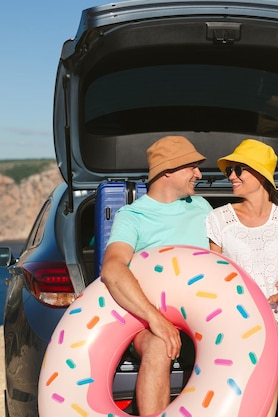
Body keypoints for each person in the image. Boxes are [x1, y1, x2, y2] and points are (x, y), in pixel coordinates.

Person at [99, 135, 212, 415]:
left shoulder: (201, 207)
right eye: (192, 167)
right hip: (148, 321)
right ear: (168, 171)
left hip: (203, 316)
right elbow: (112, 268)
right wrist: (157, 320)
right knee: (160, 344)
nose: (199, 174)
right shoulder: (133, 216)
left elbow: (222, 260)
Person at [206, 138, 278, 417]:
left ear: (260, 173)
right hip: (236, 308)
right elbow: (214, 277)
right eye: (229, 170)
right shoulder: (218, 220)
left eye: (238, 169)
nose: (231, 176)